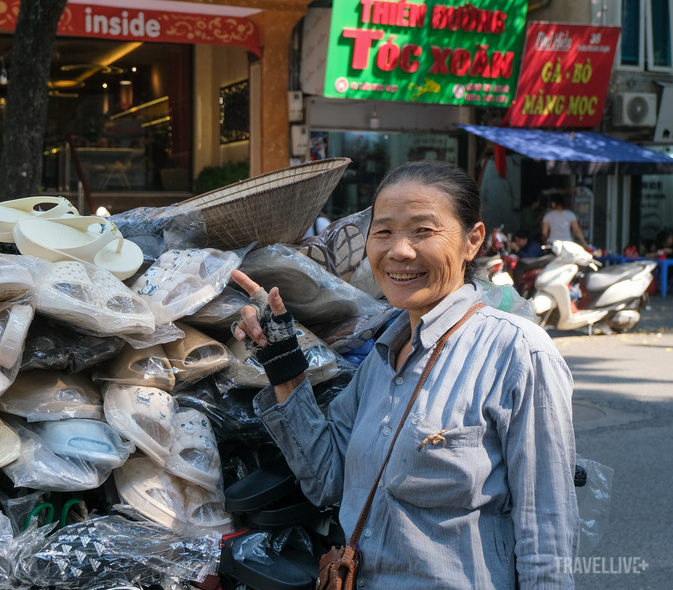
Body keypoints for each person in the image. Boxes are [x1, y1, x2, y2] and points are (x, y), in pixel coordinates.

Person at [230, 160, 578, 588]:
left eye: (423, 231)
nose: (400, 250)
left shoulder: (516, 352)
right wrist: (282, 359)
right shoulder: (380, 358)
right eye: (384, 231)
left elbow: (546, 529)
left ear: (472, 241)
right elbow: (327, 481)